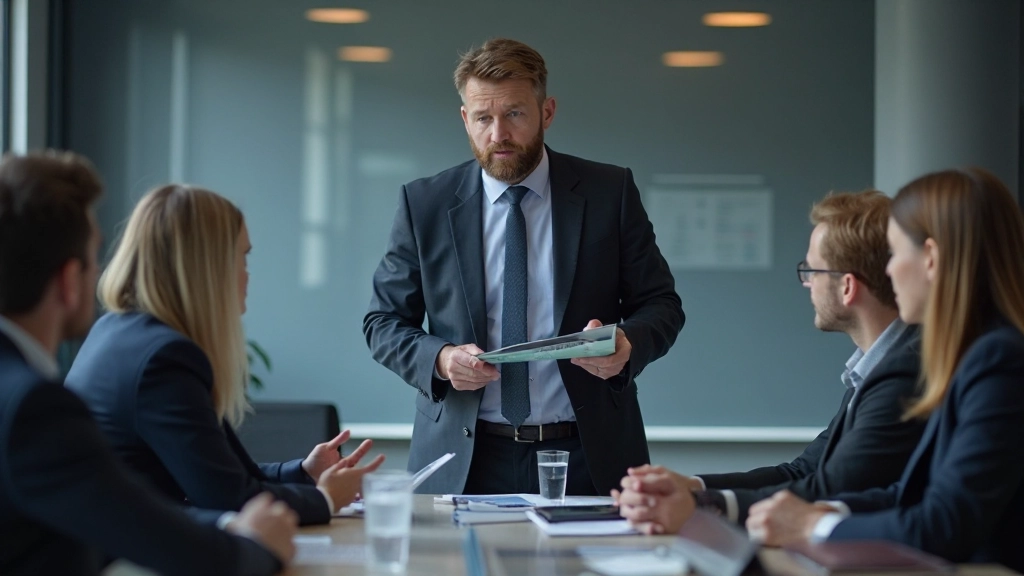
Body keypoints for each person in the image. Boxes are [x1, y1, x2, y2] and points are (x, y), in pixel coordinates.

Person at [363, 38, 684, 496]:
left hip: (588, 455)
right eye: (483, 118)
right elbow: (383, 322)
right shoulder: (425, 204)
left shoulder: (608, 192)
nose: (498, 135)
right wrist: (440, 358)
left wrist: (628, 344)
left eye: (514, 114)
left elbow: (661, 304)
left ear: (546, 112)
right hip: (463, 457)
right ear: (465, 120)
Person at [0, 151, 296, 575]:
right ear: (69, 281)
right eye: (93, 256)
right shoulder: (31, 408)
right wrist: (252, 544)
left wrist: (233, 523)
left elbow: (125, 511)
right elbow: (150, 534)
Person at [743, 168, 1024, 571]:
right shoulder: (976, 353)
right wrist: (811, 512)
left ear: (929, 258)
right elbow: (912, 495)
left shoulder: (998, 358)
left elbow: (945, 524)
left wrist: (814, 525)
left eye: (895, 254)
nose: (888, 273)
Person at [66, 184, 384, 526]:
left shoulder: (117, 331)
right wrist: (324, 499)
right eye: (243, 256)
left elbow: (219, 475)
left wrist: (305, 472)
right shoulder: (165, 360)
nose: (248, 274)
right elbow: (229, 498)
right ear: (208, 267)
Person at [615, 190, 926, 529]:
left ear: (847, 287)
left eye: (811, 270)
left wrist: (699, 503)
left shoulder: (903, 372)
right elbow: (802, 472)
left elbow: (832, 489)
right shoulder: (874, 367)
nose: (806, 283)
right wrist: (692, 486)